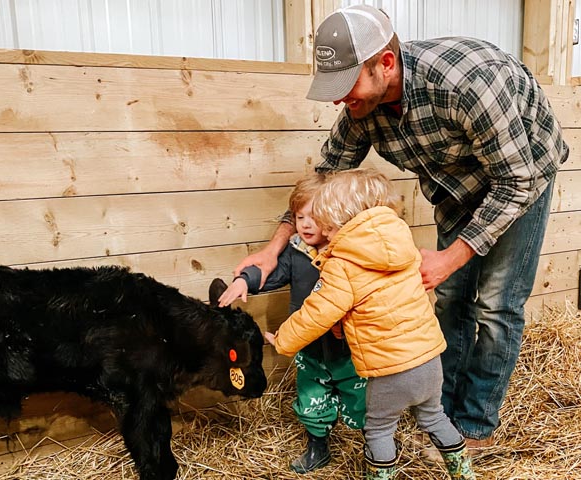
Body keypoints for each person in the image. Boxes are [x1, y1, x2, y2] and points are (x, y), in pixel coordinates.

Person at [235, 4, 569, 454]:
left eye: (346, 85)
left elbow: (517, 179)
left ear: (386, 63)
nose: (339, 100)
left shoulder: (470, 82)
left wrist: (451, 257)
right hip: (456, 188)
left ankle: (474, 423)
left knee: (495, 303)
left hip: (520, 178)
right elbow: (325, 176)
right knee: (451, 298)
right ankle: (440, 409)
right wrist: (275, 247)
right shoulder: (365, 106)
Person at [266, 168, 476, 480]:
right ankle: (464, 474)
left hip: (389, 369)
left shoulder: (343, 263)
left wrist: (283, 340)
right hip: (429, 360)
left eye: (326, 223)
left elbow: (317, 313)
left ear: (337, 220)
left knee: (379, 430)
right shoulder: (402, 241)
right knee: (434, 417)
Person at [219, 173, 367, 474]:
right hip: (309, 343)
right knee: (311, 394)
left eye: (316, 217)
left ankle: (375, 446)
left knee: (361, 396)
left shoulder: (350, 253)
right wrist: (244, 281)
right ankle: (318, 446)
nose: (307, 224)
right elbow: (270, 272)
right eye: (300, 217)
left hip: (351, 346)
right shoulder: (296, 252)